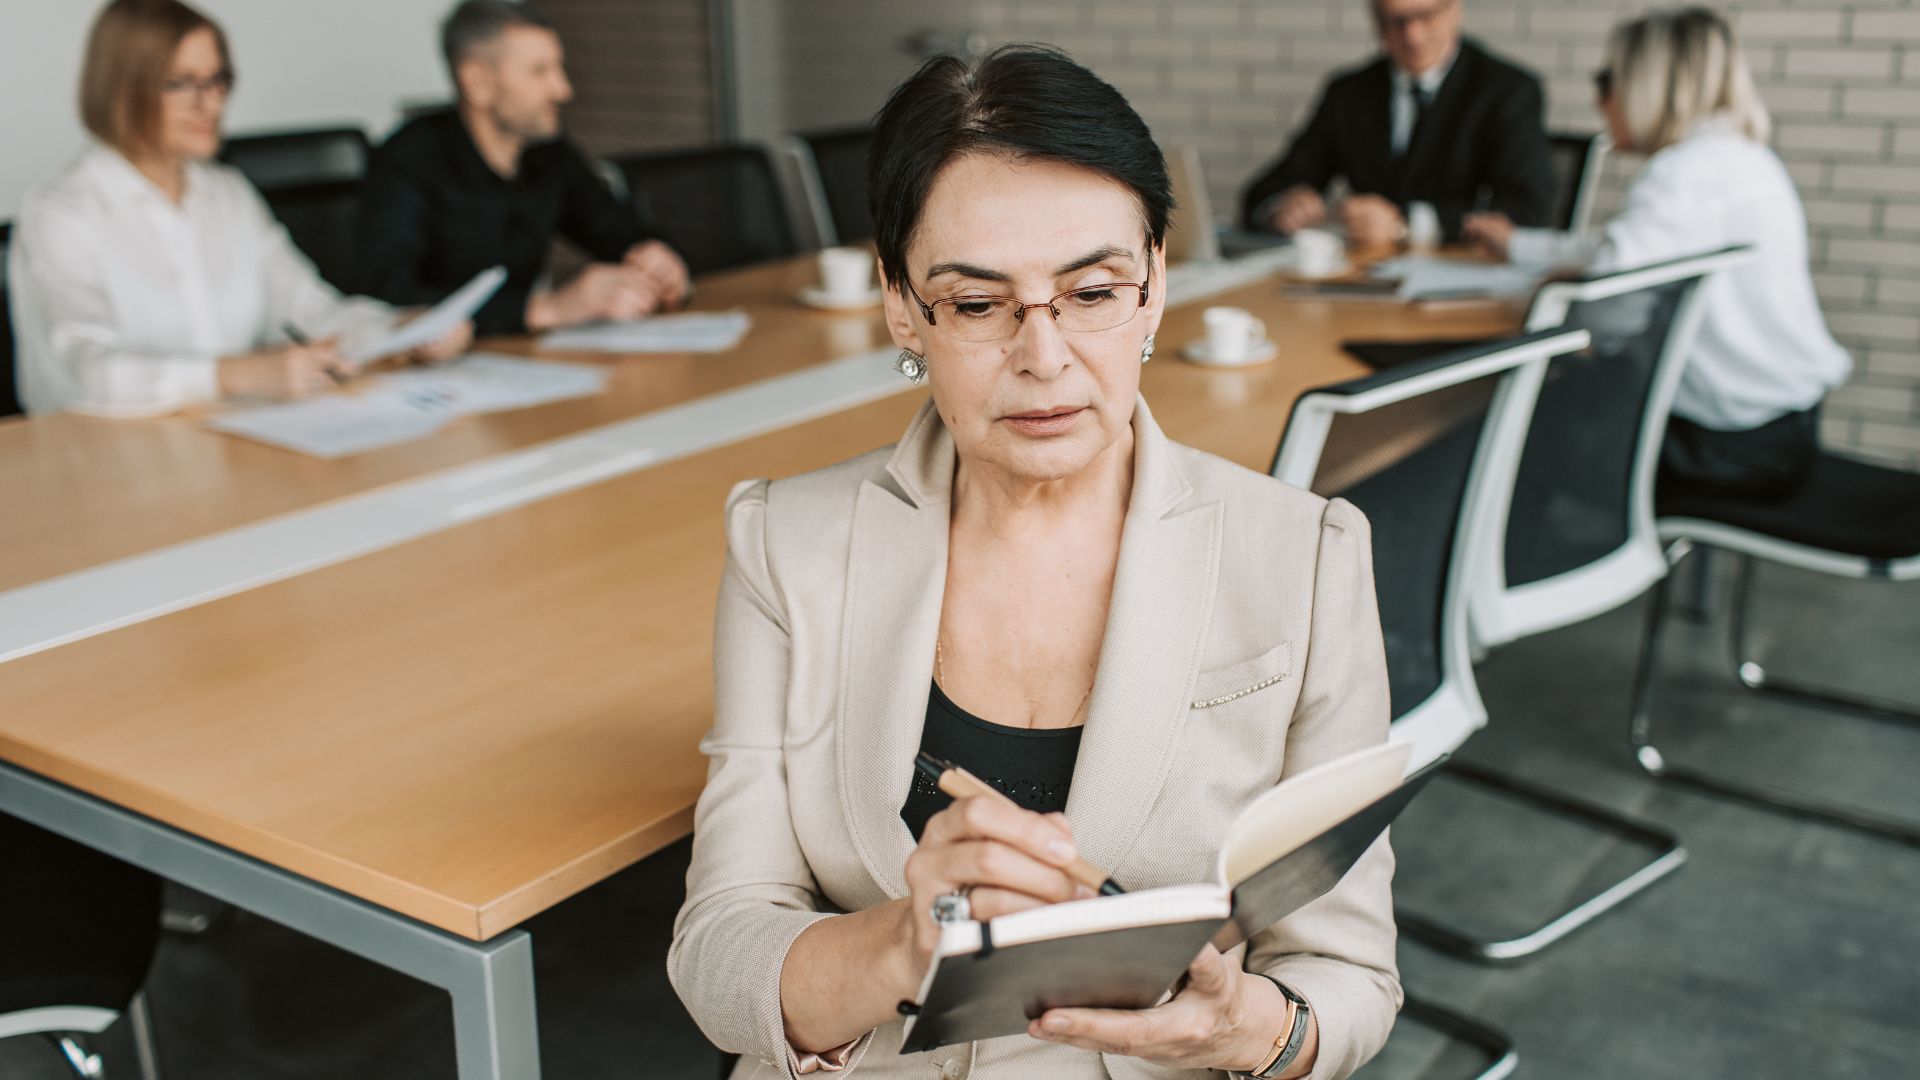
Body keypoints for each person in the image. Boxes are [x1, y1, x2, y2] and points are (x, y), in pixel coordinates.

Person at [670, 45, 1400, 1080]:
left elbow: (1352, 978)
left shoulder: (1307, 554)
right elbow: (719, 951)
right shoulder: (785, 543)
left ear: (1154, 286)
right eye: (977, 306)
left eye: (1092, 292)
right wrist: (904, 944)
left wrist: (1247, 1028)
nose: (1044, 357)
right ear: (901, 307)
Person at [8, 0, 468, 418]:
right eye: (181, 84)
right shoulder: (62, 212)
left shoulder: (226, 194)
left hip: (230, 440)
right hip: (99, 464)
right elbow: (85, 371)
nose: (210, 103)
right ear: (122, 91)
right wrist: (239, 375)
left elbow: (313, 311)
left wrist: (401, 329)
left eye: (218, 80)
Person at [1462, 6, 1850, 500]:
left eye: (1608, 79)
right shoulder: (1743, 159)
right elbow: (1611, 251)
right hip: (1781, 424)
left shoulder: (1680, 177)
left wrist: (1556, 291)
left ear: (1649, 84)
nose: (1600, 99)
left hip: (1727, 443)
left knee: (1502, 428)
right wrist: (1518, 245)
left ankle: (1531, 563)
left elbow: (1603, 314)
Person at [353, 0, 688, 335]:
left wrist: (657, 260)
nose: (563, 90)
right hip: (431, 375)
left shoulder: (548, 152)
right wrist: (545, 309)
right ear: (477, 83)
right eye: (540, 71)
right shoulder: (408, 158)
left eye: (559, 68)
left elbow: (616, 230)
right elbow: (387, 297)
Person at [1241, 0, 1552, 248]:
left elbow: (1528, 211)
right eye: (1396, 21)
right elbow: (1266, 190)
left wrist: (1405, 226)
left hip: (1461, 275)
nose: (1412, 36)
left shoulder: (1507, 91)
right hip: (1361, 276)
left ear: (1454, 10)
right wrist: (1281, 208)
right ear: (1376, 22)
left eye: (1426, 15)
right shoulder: (1349, 93)